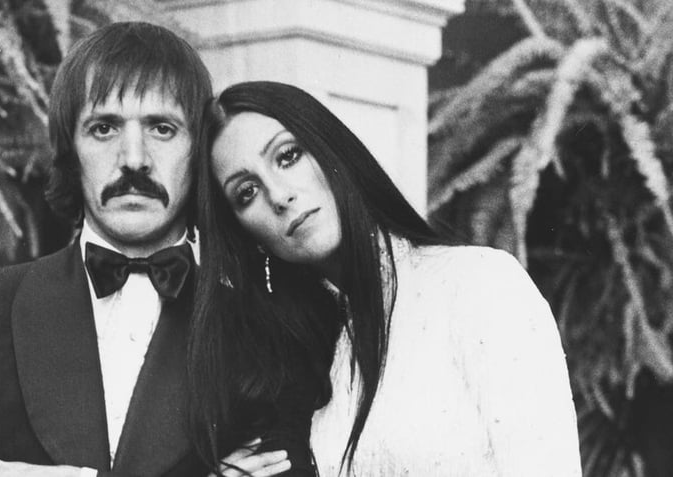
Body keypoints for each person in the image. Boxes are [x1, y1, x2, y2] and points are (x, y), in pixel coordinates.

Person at [0, 23, 297, 477]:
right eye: (104, 127)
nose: (134, 159)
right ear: (69, 149)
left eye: (163, 128)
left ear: (199, 152)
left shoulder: (260, 325)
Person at [189, 81, 583, 476]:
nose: (278, 195)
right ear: (245, 235)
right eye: (246, 192)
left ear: (332, 150)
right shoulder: (308, 356)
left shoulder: (480, 284)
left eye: (288, 156)